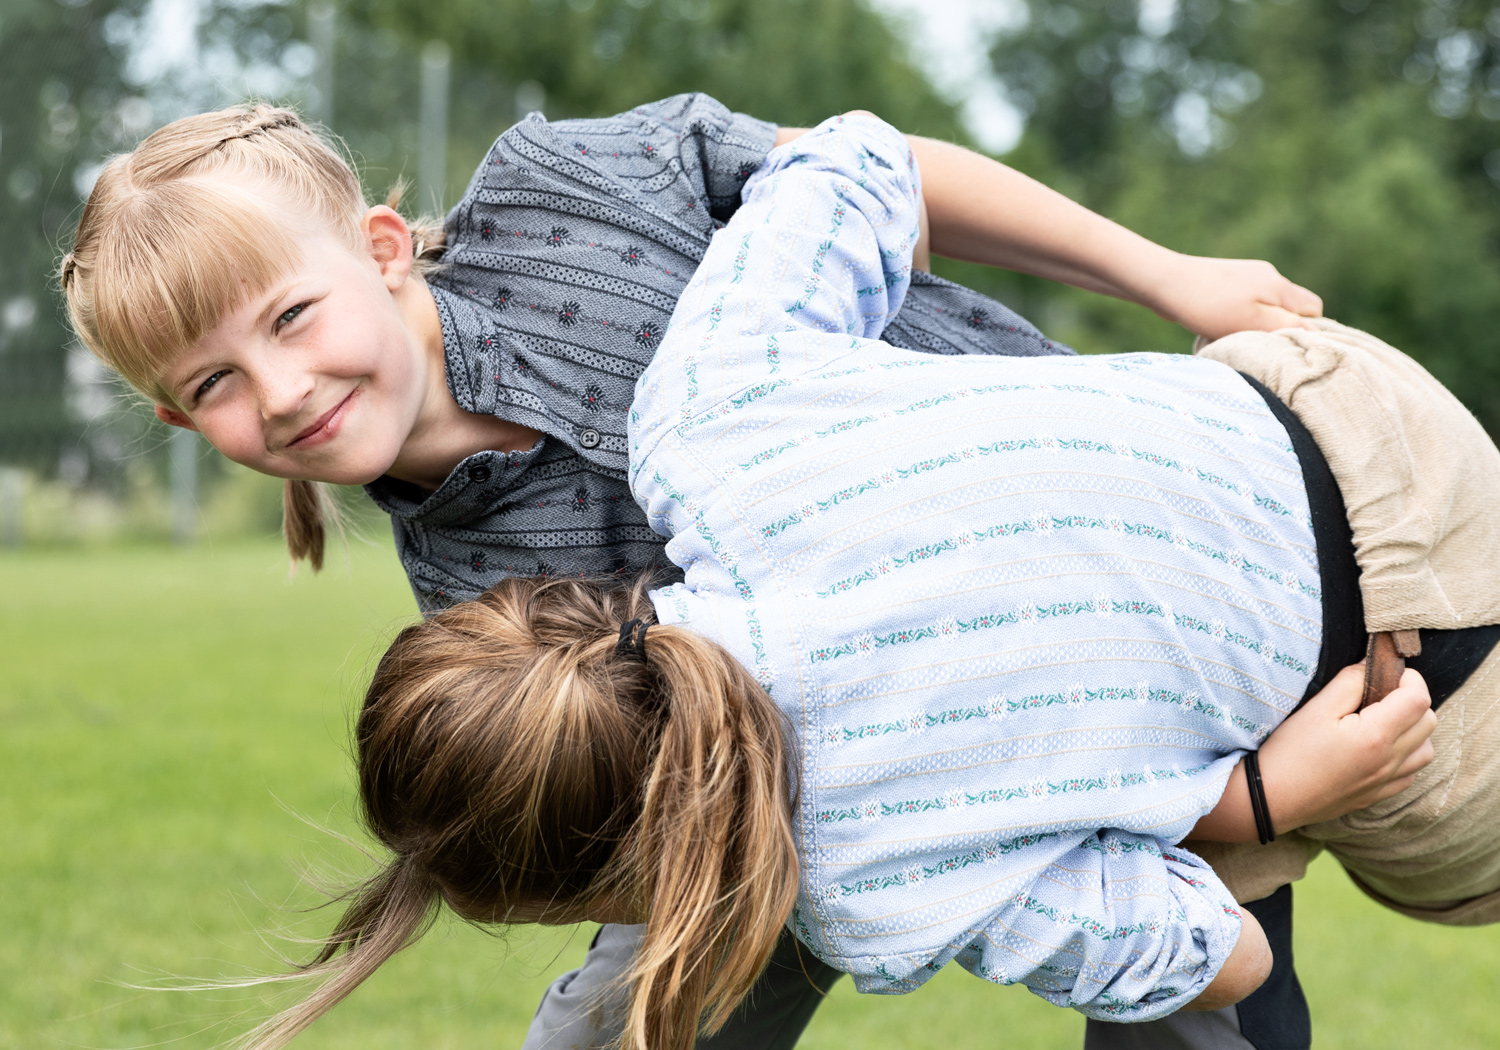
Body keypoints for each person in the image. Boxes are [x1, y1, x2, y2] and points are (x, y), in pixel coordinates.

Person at [58, 95, 1348, 1049]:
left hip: (1110, 565)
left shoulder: (571, 187)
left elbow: (878, 173)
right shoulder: (479, 614)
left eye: (290, 317)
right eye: (213, 383)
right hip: (836, 791)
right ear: (182, 426)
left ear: (383, 247)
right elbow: (722, 812)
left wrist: (1166, 273)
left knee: (1193, 1006)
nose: (281, 393)